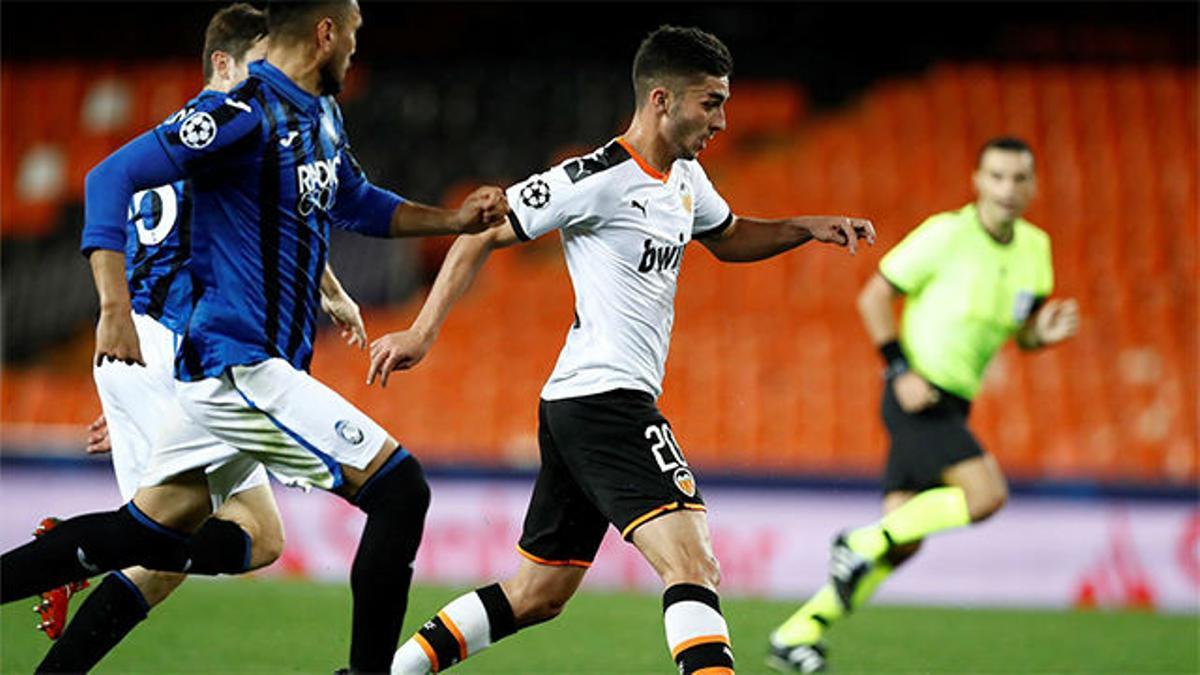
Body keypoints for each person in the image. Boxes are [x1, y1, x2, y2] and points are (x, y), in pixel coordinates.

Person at [0, 1, 509, 672]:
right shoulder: (242, 114)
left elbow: (355, 200)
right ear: (325, 33)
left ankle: (66, 573)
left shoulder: (321, 114)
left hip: (235, 366)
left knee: (148, 535)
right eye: (353, 33)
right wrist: (112, 307)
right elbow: (108, 176)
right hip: (237, 366)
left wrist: (451, 220)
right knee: (400, 489)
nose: (359, 48)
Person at [373, 25, 874, 675]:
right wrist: (421, 330)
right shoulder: (597, 176)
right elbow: (481, 232)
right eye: (710, 102)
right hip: (606, 401)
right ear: (661, 99)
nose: (722, 119)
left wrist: (808, 227)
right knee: (694, 563)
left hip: (578, 403)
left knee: (537, 594)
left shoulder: (686, 176)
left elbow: (728, 236)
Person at [28, 5, 368, 672]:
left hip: (168, 355)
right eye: (261, 65)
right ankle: (75, 555)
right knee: (166, 541)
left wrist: (328, 287)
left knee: (244, 538)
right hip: (178, 351)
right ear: (223, 64)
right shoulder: (223, 130)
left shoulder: (196, 135)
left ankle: (80, 557)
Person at [766, 137, 1080, 673]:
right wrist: (899, 370)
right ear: (978, 181)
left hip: (956, 404)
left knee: (902, 541)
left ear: (1033, 186)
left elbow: (1021, 333)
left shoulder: (1036, 250)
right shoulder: (945, 235)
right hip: (915, 392)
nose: (1007, 189)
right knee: (984, 496)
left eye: (1018, 178)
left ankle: (797, 633)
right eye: (997, 176)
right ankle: (858, 541)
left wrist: (1039, 336)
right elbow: (873, 296)